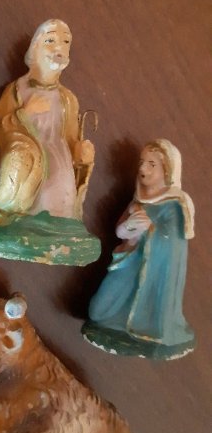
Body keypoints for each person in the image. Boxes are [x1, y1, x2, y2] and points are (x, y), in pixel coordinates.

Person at [85, 139, 195, 358]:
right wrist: (129, 227)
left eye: (152, 164)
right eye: (142, 162)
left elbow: (174, 245)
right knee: (97, 312)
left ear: (166, 170)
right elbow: (120, 232)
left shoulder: (176, 204)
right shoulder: (139, 200)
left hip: (155, 274)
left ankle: (146, 328)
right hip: (127, 263)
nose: (143, 168)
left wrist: (149, 229)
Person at [0, 19, 95, 226]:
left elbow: (71, 139)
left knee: (59, 207)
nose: (59, 48)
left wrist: (81, 156)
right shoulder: (18, 90)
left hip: (61, 162)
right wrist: (24, 113)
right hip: (29, 162)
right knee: (34, 207)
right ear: (35, 48)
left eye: (65, 42)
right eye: (50, 40)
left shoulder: (68, 99)